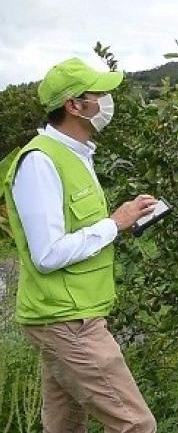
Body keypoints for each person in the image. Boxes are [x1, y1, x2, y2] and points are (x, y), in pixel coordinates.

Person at [2, 58, 158, 432]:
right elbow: (47, 254)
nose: (107, 100)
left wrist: (121, 224)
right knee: (136, 425)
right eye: (99, 93)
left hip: (70, 315)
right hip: (66, 322)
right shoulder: (40, 162)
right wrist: (113, 223)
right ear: (75, 105)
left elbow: (79, 232)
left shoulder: (75, 156)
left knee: (65, 426)